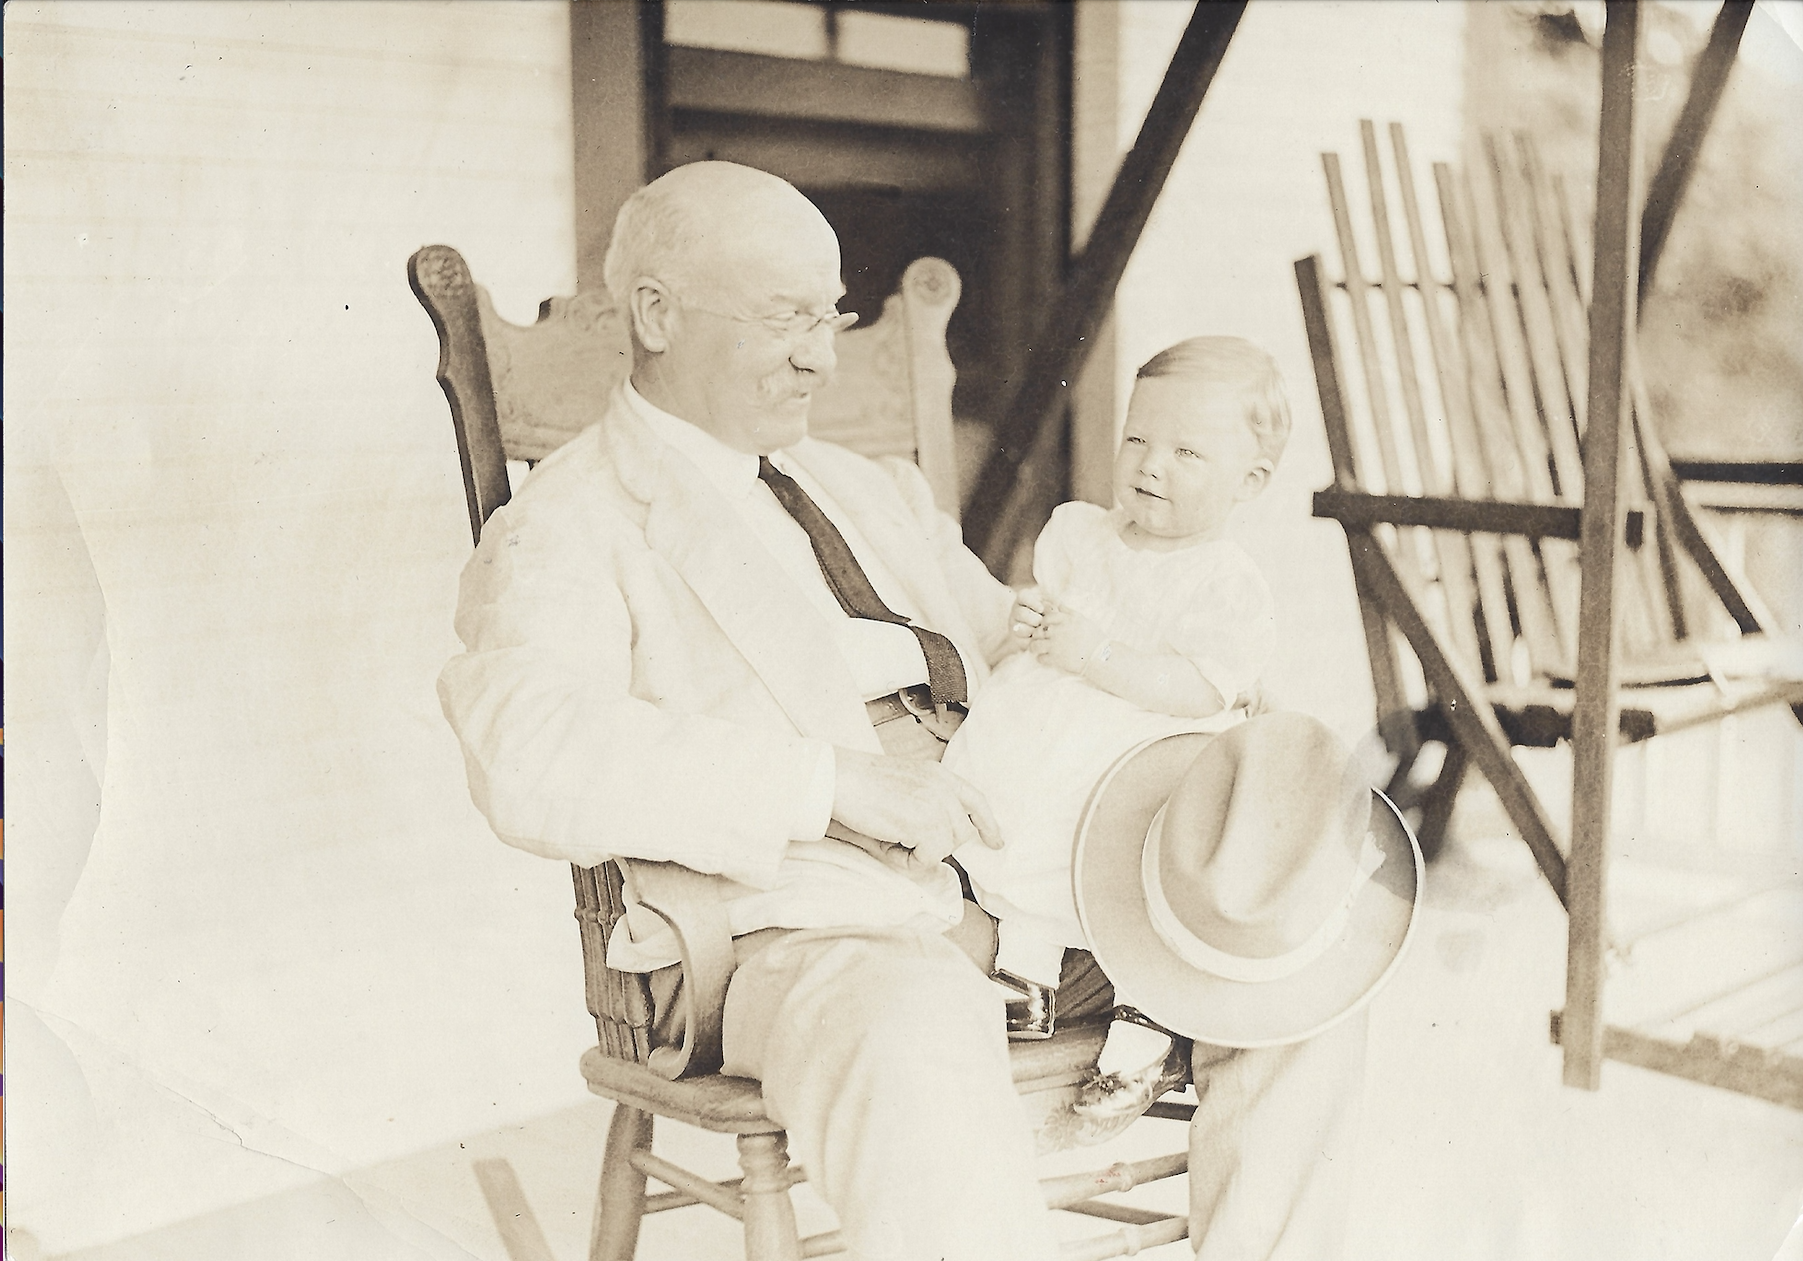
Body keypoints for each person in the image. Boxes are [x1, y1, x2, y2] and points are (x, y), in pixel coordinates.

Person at [438, 159, 1372, 1261]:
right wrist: (833, 783)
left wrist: (1186, 686)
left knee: (1300, 947)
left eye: (828, 319)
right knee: (917, 1031)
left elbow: (1016, 643)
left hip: (1035, 881)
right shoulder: (572, 522)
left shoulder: (865, 488)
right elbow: (526, 746)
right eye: (784, 318)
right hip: (825, 920)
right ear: (656, 312)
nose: (818, 355)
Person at [942, 338, 1286, 1102]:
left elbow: (1199, 686)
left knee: (1097, 835)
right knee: (1009, 805)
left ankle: (1146, 1013)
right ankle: (1025, 970)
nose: (1150, 464)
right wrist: (1035, 621)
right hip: (1046, 716)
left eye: (1187, 451)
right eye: (1136, 437)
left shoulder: (1225, 583)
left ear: (1249, 480)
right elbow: (1051, 609)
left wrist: (1092, 651)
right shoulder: (1079, 531)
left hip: (1136, 738)